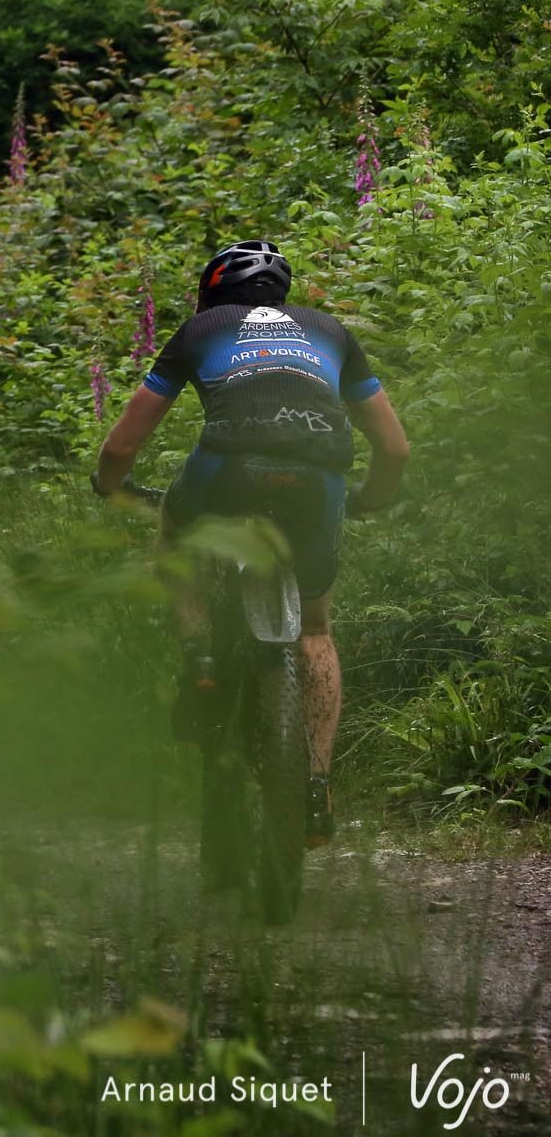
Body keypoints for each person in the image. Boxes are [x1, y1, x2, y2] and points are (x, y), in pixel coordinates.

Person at [91, 240, 410, 845]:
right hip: (319, 477)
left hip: (227, 469)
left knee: (175, 538)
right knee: (314, 629)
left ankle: (201, 662)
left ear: (212, 293)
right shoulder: (331, 331)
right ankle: (316, 787)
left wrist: (109, 486)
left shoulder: (201, 330)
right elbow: (394, 449)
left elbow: (123, 445)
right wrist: (373, 497)